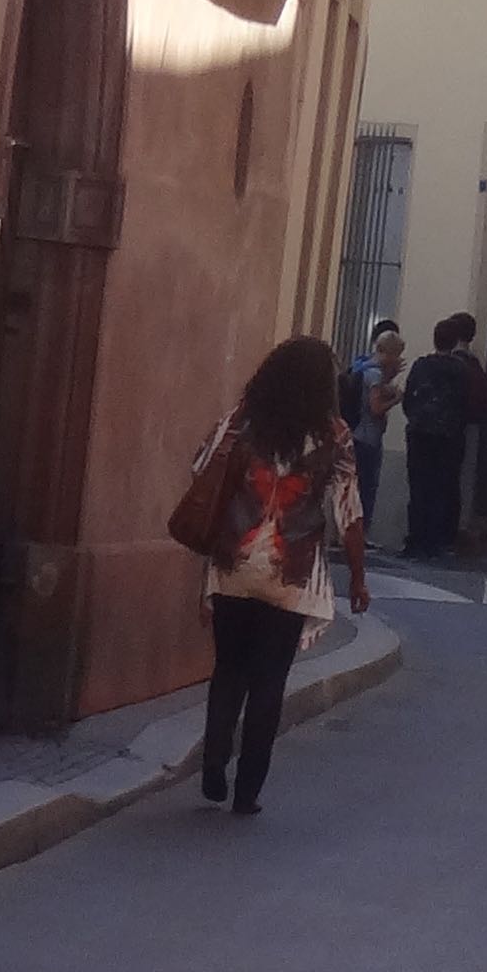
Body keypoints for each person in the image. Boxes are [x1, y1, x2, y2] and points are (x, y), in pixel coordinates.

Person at [174, 333, 370, 815]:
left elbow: (200, 464)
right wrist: (359, 579)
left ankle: (214, 765)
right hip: (290, 572)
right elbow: (350, 513)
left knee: (229, 669)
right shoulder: (335, 436)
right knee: (269, 679)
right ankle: (248, 791)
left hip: (234, 562)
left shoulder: (242, 420)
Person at [394, 307, 487, 561]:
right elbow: (465, 402)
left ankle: (415, 539)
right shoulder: (461, 370)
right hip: (449, 436)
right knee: (442, 487)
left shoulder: (421, 365)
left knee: (418, 488)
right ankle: (435, 542)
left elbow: (409, 397)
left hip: (419, 433)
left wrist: (417, 418)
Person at [340, 318, 406, 539]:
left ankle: (347, 535)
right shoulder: (375, 374)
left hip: (355, 434)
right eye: (396, 354)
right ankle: (357, 537)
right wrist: (396, 399)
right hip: (367, 439)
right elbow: (375, 408)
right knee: (365, 490)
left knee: (353, 490)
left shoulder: (362, 367)